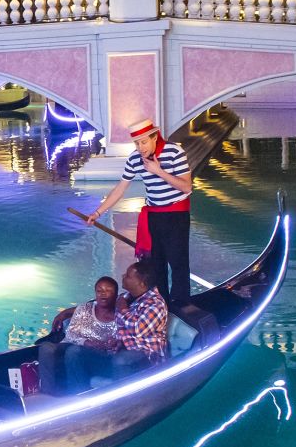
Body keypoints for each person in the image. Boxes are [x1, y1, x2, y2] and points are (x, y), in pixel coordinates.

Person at [81, 117, 193, 305]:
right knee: (155, 267)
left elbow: (187, 187)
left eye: (144, 142)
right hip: (153, 217)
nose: (141, 147)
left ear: (154, 137)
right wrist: (98, 213)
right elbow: (120, 188)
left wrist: (159, 171)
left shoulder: (175, 152)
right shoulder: (135, 158)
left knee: (179, 265)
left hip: (176, 217)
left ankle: (182, 307)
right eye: (137, 143)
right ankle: (161, 308)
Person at [37, 275, 121, 393]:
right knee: (46, 347)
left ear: (116, 294)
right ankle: (47, 393)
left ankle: (78, 395)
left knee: (74, 352)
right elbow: (71, 334)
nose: (103, 294)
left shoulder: (120, 315)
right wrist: (86, 342)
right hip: (76, 344)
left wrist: (108, 344)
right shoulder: (84, 308)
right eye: (99, 290)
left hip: (100, 355)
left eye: (108, 290)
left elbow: (119, 339)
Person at [112, 260, 169, 374]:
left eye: (128, 276)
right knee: (75, 353)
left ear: (142, 283)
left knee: (120, 360)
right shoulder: (126, 297)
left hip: (146, 354)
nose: (123, 276)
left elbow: (138, 330)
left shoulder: (155, 304)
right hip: (122, 348)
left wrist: (123, 310)